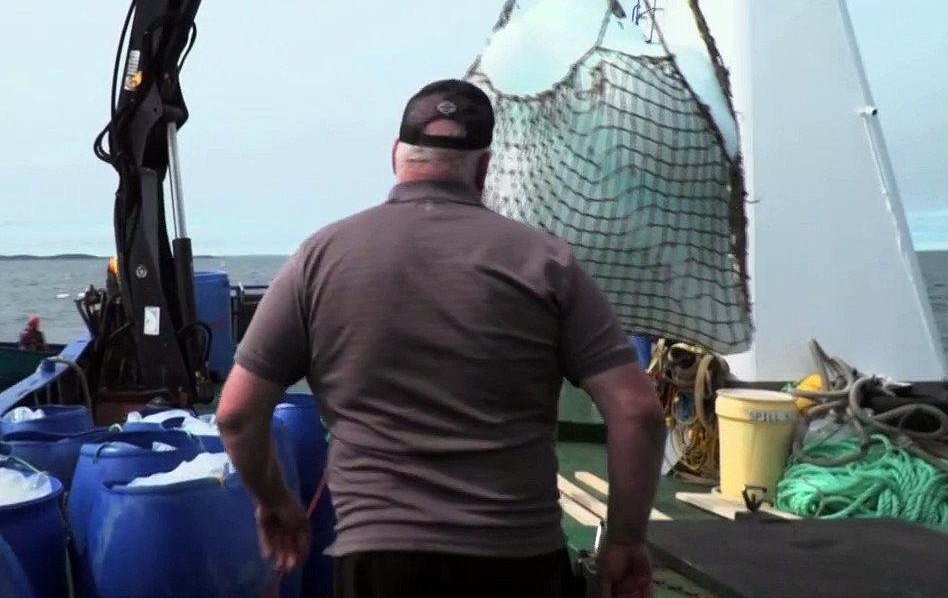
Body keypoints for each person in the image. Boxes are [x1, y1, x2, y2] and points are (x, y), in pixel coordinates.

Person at [215, 78, 667, 598]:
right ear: (483, 168)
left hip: (377, 563)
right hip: (518, 560)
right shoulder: (546, 261)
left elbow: (236, 415)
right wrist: (626, 541)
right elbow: (637, 412)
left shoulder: (318, 257)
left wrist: (277, 504)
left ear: (396, 156)